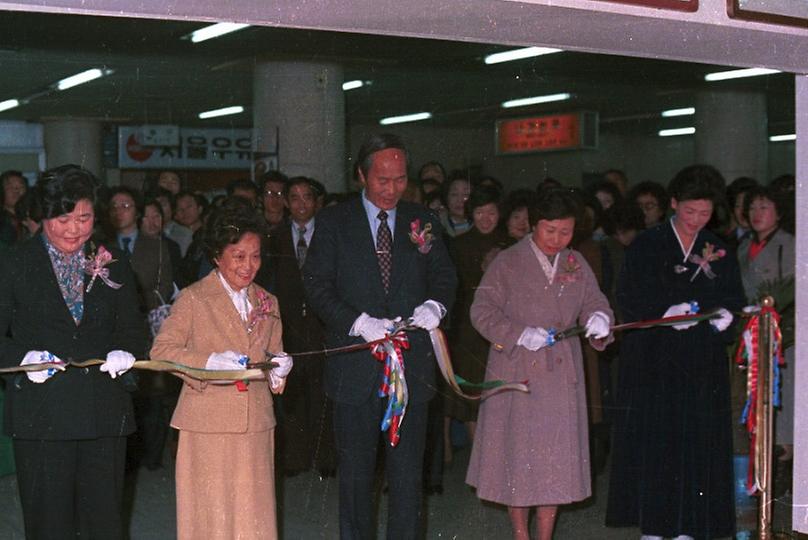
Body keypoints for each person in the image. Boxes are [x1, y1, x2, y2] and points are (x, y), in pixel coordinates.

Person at [303, 133, 457, 539]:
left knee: (407, 481)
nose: (392, 190)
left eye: (401, 179)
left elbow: (445, 276)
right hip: (355, 369)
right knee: (355, 481)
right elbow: (317, 285)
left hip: (411, 371)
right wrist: (358, 322)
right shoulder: (335, 221)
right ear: (361, 175)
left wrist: (435, 307)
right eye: (382, 180)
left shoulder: (422, 220)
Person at [0, 164, 144, 539]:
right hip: (43, 413)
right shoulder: (14, 263)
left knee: (104, 525)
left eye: (84, 218)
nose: (74, 229)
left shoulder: (114, 261)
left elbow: (133, 329)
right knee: (49, 526)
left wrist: (126, 353)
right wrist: (21, 360)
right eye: (62, 218)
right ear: (43, 215)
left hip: (103, 412)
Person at [606, 164, 745, 540]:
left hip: (702, 364)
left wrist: (725, 320)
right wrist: (663, 314)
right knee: (659, 444)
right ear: (672, 204)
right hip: (656, 362)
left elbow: (734, 299)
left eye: (704, 213)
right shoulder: (646, 244)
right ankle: (655, 527)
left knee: (698, 444)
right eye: (689, 212)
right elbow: (628, 297)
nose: (696, 221)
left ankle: (690, 527)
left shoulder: (718, 249)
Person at [466, 187, 613, 540]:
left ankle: (545, 534)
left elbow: (596, 301)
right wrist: (517, 333)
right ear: (533, 225)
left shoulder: (575, 262)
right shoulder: (507, 261)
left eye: (566, 232)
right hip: (517, 370)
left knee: (554, 462)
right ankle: (520, 533)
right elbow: (481, 311)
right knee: (519, 457)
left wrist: (600, 320)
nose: (557, 240)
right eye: (550, 231)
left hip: (561, 371)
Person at [150, 197, 293, 540]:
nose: (249, 266)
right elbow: (162, 350)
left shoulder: (268, 301)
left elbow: (272, 353)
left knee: (254, 519)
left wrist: (279, 368)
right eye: (239, 256)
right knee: (210, 520)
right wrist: (209, 363)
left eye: (256, 256)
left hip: (256, 425)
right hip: (207, 426)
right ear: (217, 255)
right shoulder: (194, 298)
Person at [261, 176, 336, 477]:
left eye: (307, 197)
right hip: (288, 325)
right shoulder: (274, 237)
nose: (301, 203)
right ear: (286, 202)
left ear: (317, 201)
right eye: (294, 197)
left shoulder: (331, 235)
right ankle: (295, 457)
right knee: (291, 393)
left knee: (323, 392)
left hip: (322, 325)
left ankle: (326, 458)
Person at [444, 185, 509, 463]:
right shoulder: (458, 245)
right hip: (469, 328)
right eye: (480, 212)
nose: (486, 218)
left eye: (491, 212)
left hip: (504, 324)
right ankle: (480, 456)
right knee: (472, 390)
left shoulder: (510, 244)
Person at [736, 184, 795, 488]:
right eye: (753, 208)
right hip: (751, 337)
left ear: (779, 212)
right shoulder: (743, 246)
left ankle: (784, 466)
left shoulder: (789, 244)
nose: (757, 214)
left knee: (783, 404)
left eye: (764, 207)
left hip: (784, 338)